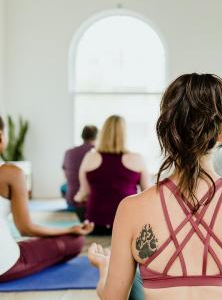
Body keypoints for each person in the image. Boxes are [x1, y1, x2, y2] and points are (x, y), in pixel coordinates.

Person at [88, 73, 222, 300]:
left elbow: (112, 297)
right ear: (221, 132)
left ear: (166, 134)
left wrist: (105, 267)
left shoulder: (130, 209)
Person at [0, 115, 93, 282]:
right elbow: (25, 229)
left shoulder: (70, 152)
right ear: (1, 137)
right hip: (5, 264)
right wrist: (70, 229)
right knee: (76, 240)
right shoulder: (10, 173)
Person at [74, 115, 149, 235]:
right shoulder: (137, 159)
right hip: (127, 224)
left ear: (103, 133)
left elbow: (85, 192)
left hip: (95, 223)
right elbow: (147, 194)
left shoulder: (90, 157)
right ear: (125, 134)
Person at [62, 125, 98, 211]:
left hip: (72, 200)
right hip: (91, 202)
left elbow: (66, 175)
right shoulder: (98, 153)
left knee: (63, 187)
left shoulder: (69, 152)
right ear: (97, 137)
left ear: (82, 136)